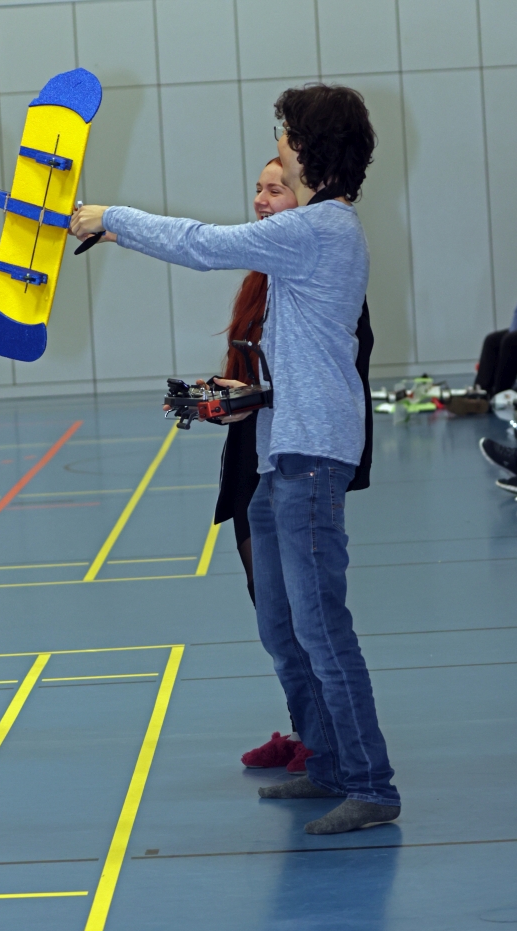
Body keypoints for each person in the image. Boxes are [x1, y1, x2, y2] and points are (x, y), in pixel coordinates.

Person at [71, 82, 400, 834]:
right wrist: (251, 395)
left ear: (312, 149)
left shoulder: (320, 227)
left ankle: (371, 785)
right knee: (283, 625)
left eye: (286, 137)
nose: (278, 147)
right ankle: (327, 762)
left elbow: (203, 244)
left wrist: (110, 217)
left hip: (310, 457)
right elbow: (304, 356)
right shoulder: (316, 231)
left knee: (322, 629)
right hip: (286, 448)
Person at [207, 158, 312, 774]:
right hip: (249, 452)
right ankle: (304, 731)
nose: (262, 199)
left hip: (294, 453)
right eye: (258, 188)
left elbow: (330, 376)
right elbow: (256, 372)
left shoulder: (316, 272)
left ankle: (327, 743)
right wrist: (228, 397)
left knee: (303, 614)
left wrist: (262, 399)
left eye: (276, 189)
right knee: (269, 609)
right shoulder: (258, 277)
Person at [476, 227, 517, 397]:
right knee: (493, 340)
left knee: (511, 341)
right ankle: (482, 391)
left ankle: (501, 392)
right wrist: (515, 329)